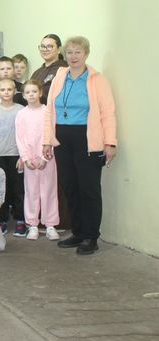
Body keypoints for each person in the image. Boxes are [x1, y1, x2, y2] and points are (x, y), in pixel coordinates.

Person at [43, 36, 117, 255]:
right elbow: (49, 110)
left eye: (78, 52)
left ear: (86, 54)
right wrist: (47, 140)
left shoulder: (97, 80)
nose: (73, 56)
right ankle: (78, 232)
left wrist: (110, 142)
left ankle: (91, 236)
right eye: (70, 52)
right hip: (62, 138)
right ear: (64, 55)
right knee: (70, 187)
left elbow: (108, 113)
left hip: (87, 139)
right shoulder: (60, 76)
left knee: (89, 189)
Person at [16, 80, 59, 241]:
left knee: (49, 191)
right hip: (30, 160)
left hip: (47, 158)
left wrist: (45, 157)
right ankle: (32, 224)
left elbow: (52, 134)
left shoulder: (48, 112)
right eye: (28, 92)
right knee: (31, 192)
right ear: (23, 95)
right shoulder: (21, 114)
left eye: (34, 91)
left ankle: (50, 225)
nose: (31, 95)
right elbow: (19, 138)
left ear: (40, 93)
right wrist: (26, 158)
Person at [0, 78, 25, 236]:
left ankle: (20, 220)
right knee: (0, 189)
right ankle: (2, 219)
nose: (6, 92)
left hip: (16, 155)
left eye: (9, 89)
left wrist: (23, 155)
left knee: (18, 189)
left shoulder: (21, 110)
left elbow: (25, 134)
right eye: (2, 90)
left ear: (15, 91)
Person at [31, 34, 68, 104]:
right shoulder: (37, 73)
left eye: (49, 46)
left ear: (59, 49)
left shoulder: (65, 69)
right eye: (42, 46)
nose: (45, 49)